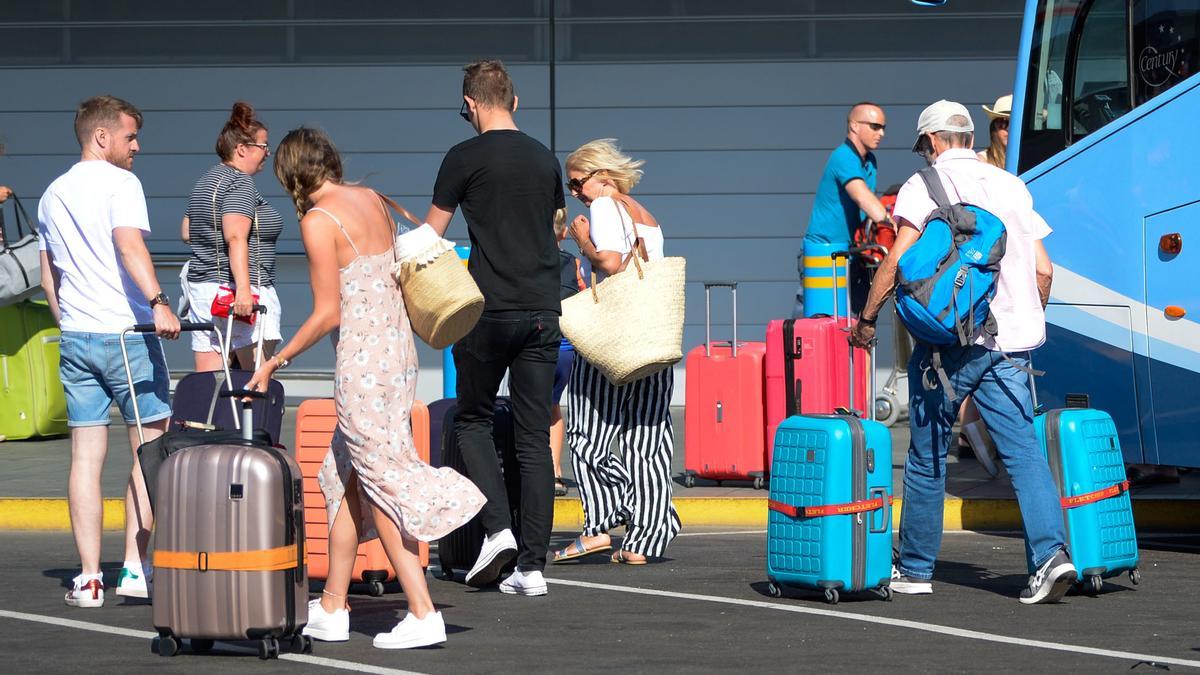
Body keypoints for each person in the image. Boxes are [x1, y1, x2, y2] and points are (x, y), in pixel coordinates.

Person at [247, 127, 484, 649]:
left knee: (379, 481)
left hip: (361, 367)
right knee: (346, 475)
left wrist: (274, 361)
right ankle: (333, 604)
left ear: (290, 174)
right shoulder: (373, 199)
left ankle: (422, 610)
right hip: (397, 358)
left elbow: (327, 313)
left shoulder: (318, 220)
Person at [849, 100, 1076, 604]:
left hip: (947, 347)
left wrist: (865, 321)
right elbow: (1044, 270)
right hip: (1010, 345)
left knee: (927, 455)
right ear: (971, 138)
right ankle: (1051, 557)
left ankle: (915, 568)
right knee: (1023, 453)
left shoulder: (922, 185)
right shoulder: (1011, 185)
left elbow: (896, 261)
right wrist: (1022, 319)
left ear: (931, 141)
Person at [424, 59, 564, 596]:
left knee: (472, 419)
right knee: (533, 436)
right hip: (542, 309)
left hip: (487, 309)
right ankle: (532, 568)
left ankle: (498, 529)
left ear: (470, 104)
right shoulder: (545, 158)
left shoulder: (463, 157)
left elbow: (432, 237)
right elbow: (552, 229)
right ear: (514, 101)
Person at [37, 95, 181, 607]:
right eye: (129, 136)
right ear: (101, 136)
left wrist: (70, 322)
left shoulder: (53, 193)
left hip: (78, 336)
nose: (136, 147)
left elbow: (49, 274)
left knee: (85, 457)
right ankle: (136, 568)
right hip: (128, 335)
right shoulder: (122, 184)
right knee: (149, 451)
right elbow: (129, 244)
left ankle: (89, 578)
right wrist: (159, 302)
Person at [551, 138, 680, 567]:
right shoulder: (644, 214)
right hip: (652, 336)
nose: (575, 193)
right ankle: (648, 534)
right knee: (647, 438)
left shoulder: (605, 206)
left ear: (602, 175)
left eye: (578, 183)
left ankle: (602, 522)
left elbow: (608, 262)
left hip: (614, 339)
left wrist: (582, 241)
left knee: (587, 433)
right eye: (571, 186)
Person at [181, 102, 283, 371]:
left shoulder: (206, 181)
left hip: (204, 292)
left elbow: (186, 231)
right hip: (238, 294)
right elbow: (236, 237)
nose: (267, 152)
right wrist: (244, 291)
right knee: (255, 382)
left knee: (212, 384)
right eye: (263, 146)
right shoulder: (240, 182)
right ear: (242, 149)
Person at [795, 102, 894, 318]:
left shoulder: (870, 161)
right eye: (875, 126)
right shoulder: (843, 156)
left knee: (850, 321)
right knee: (815, 322)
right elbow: (861, 197)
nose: (881, 133)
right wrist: (891, 223)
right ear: (854, 126)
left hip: (850, 254)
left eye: (883, 127)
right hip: (823, 252)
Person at [551, 207, 582, 497]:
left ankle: (531, 470)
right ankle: (555, 472)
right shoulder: (572, 262)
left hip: (537, 344)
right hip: (565, 349)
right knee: (552, 407)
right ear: (562, 233)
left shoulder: (526, 261)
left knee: (528, 408)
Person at [977, 94, 1011, 169]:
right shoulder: (982, 161)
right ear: (994, 126)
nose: (1009, 128)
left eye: (1014, 123)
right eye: (1003, 122)